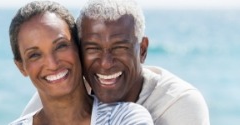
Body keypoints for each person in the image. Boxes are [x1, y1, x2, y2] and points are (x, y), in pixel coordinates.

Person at [21, 0, 210, 125]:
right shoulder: (65, 90)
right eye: (93, 48)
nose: (105, 63)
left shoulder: (179, 104)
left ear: (142, 50)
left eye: (119, 48)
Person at [8, 1, 153, 125]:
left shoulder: (126, 118)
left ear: (79, 47)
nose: (52, 64)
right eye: (35, 55)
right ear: (21, 67)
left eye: (60, 46)